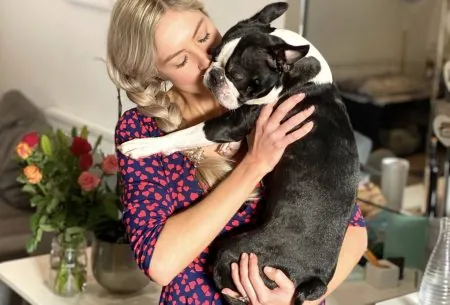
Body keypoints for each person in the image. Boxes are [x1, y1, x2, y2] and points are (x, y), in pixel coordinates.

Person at [107, 1, 368, 304]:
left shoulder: (275, 96)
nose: (206, 61)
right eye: (181, 61)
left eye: (204, 38)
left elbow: (353, 233)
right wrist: (254, 164)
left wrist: (294, 302)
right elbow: (160, 263)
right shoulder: (142, 131)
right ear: (154, 71)